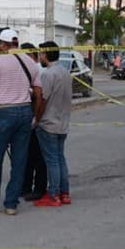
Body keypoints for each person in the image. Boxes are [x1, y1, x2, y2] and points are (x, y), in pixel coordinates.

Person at [0, 29, 42, 216]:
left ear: (4, 44)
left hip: (4, 112)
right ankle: (11, 204)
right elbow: (39, 93)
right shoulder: (30, 62)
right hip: (24, 112)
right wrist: (35, 117)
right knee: (19, 160)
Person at [33, 41, 73, 207]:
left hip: (49, 123)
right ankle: (64, 193)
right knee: (60, 158)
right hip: (62, 123)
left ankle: (53, 194)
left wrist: (36, 119)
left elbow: (43, 99)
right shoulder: (65, 72)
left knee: (52, 161)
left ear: (46, 55)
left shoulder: (48, 74)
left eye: (41, 54)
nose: (40, 57)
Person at [19, 42, 47, 201]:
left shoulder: (39, 71)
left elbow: (41, 97)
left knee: (38, 157)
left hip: (37, 120)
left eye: (26, 56)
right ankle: (25, 187)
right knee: (26, 156)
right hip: (25, 119)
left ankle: (39, 188)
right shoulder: (23, 71)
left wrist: (36, 118)